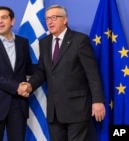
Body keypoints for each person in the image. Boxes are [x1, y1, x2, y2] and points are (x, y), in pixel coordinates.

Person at [19, 5, 106, 141]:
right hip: (54, 111)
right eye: (47, 19)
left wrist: (98, 101)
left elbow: (92, 73)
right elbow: (42, 71)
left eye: (54, 18)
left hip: (77, 109)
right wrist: (30, 86)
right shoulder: (45, 43)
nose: (49, 22)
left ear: (65, 20)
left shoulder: (80, 40)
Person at [0, 6, 36, 141]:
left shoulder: (22, 43)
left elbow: (27, 68)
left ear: (12, 21)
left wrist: (50, 65)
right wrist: (17, 87)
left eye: (4, 17)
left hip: (18, 105)